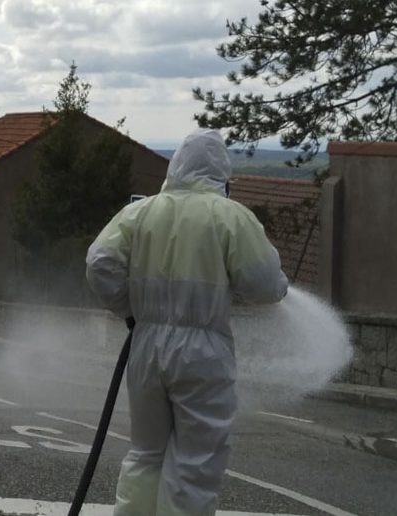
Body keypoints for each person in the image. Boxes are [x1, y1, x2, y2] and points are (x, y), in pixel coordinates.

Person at [85, 129, 288, 515]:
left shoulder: (139, 212)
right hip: (203, 352)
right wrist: (280, 288)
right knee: (194, 464)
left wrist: (130, 309)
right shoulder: (229, 216)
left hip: (146, 348)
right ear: (221, 175)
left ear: (175, 168)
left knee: (146, 454)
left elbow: (99, 263)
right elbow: (264, 283)